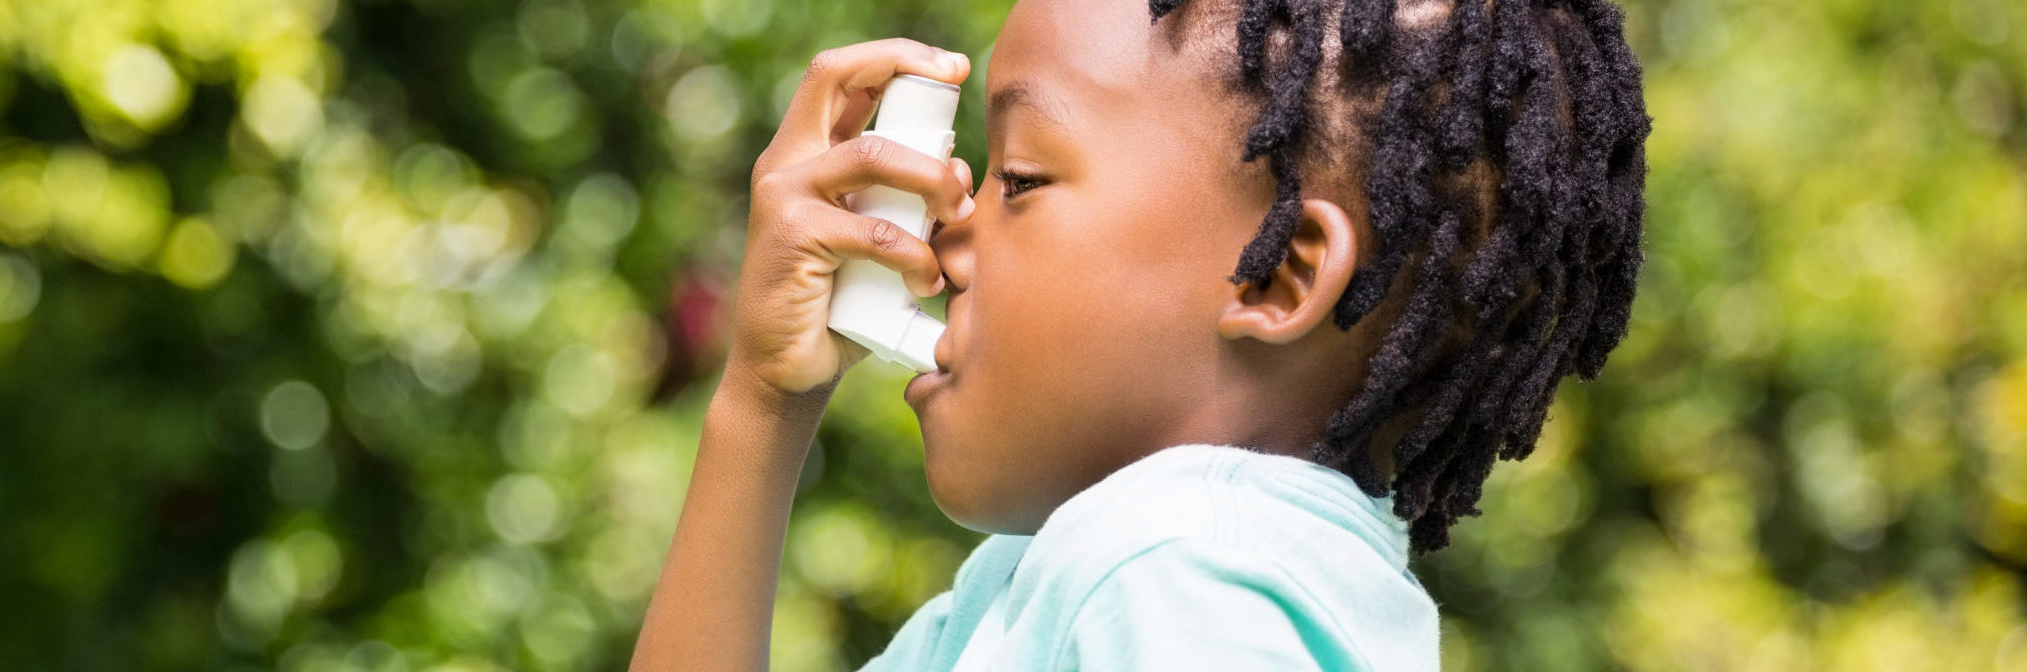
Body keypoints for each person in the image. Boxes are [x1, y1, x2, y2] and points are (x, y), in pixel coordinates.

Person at [631, 0, 1652, 668]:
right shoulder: (1069, 581)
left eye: (1020, 178)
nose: (946, 232)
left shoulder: (1174, 568)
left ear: (1279, 269)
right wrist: (763, 400)